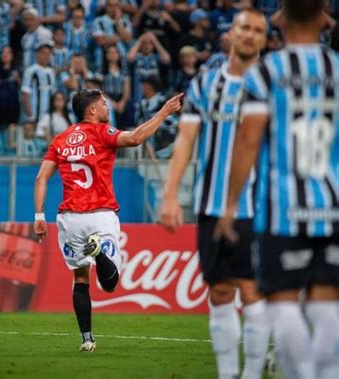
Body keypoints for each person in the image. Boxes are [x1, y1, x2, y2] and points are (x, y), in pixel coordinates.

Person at [215, 1, 339, 378]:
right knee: (326, 307)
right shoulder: (337, 69)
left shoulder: (266, 73)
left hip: (282, 212)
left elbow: (248, 140)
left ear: (278, 20)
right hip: (332, 209)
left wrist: (230, 204)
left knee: (283, 305)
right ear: (324, 19)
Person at [159, 9, 270, 379]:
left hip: (258, 207)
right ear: (232, 34)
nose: (251, 35)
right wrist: (170, 194)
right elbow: (186, 140)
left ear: (264, 39)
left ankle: (252, 375)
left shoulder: (272, 83)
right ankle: (228, 375)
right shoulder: (206, 84)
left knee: (252, 291)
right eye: (245, 28)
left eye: (258, 30)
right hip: (210, 204)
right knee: (220, 292)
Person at [33, 89, 182, 352]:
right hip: (100, 215)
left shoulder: (60, 140)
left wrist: (38, 216)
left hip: (69, 219)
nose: (107, 107)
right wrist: (164, 112)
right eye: (103, 104)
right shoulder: (103, 132)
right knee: (109, 283)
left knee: (80, 278)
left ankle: (87, 339)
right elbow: (136, 138)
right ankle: (100, 252)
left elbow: (40, 178)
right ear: (91, 110)